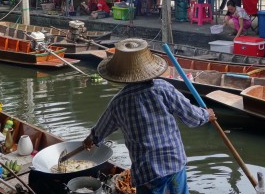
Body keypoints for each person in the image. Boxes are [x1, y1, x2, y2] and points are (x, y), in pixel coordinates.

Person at [82, 38, 215, 193]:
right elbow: (192, 117)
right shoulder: (164, 88)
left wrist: (90, 139)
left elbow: (100, 130)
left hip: (147, 171)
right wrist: (206, 115)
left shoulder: (118, 102)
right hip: (174, 162)